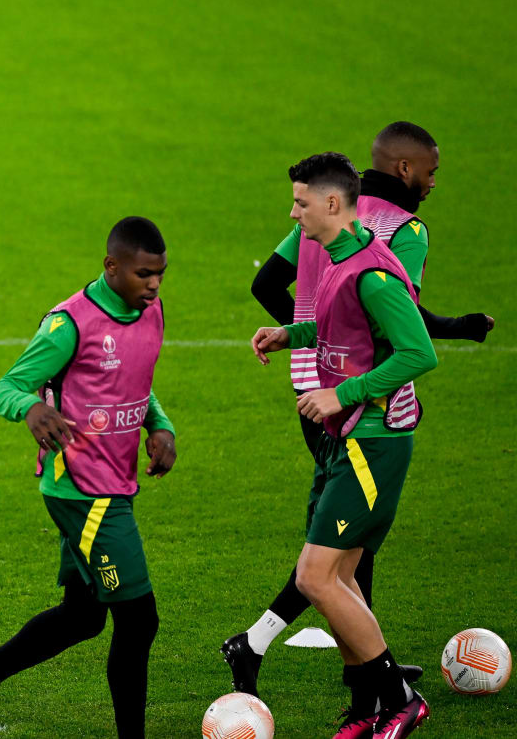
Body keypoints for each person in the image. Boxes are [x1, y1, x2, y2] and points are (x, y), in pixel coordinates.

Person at [224, 122, 494, 695]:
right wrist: (331, 350)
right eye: (430, 171)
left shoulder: (341, 225)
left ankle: (368, 676)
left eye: (298, 205)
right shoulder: (392, 230)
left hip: (314, 396)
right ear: (406, 169)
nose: (432, 182)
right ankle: (370, 679)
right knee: (335, 552)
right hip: (362, 408)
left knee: (334, 550)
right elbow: (405, 331)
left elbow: (280, 283)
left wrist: (319, 352)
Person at [0, 217, 176, 739]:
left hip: (115, 484)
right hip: (83, 491)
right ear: (111, 267)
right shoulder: (70, 324)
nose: (154, 284)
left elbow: (139, 380)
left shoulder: (150, 310)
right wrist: (29, 410)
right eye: (143, 274)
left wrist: (160, 425)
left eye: (160, 274)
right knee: (139, 621)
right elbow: (6, 387)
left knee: (85, 616)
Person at [250, 153, 434, 738]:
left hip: (372, 440)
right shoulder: (335, 258)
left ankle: (400, 699)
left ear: (333, 203)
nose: (293, 211)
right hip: (345, 440)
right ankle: (365, 711)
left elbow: (418, 353)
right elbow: (335, 328)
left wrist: (341, 393)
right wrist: (290, 335)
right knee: (343, 577)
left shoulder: (373, 273)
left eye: (301, 202)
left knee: (315, 577)